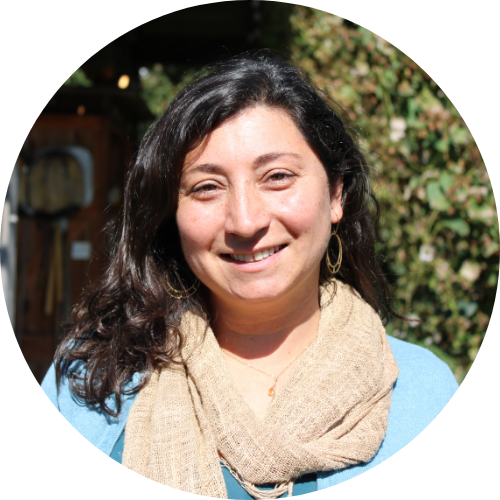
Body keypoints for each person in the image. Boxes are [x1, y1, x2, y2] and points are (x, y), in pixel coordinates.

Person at [41, 52, 458, 498]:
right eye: (206, 188)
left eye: (277, 177)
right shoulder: (90, 383)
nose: (244, 221)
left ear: (336, 193)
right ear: (171, 214)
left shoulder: (422, 393)